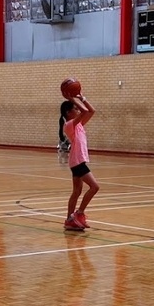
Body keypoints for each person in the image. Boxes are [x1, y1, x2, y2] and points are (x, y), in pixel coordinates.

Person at [60, 93, 100, 231]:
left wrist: (81, 97)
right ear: (68, 112)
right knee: (95, 187)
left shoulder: (79, 125)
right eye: (74, 109)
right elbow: (84, 111)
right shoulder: (69, 124)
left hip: (76, 161)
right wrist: (72, 99)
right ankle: (79, 213)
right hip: (78, 162)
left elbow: (91, 111)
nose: (77, 110)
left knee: (76, 191)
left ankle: (69, 220)